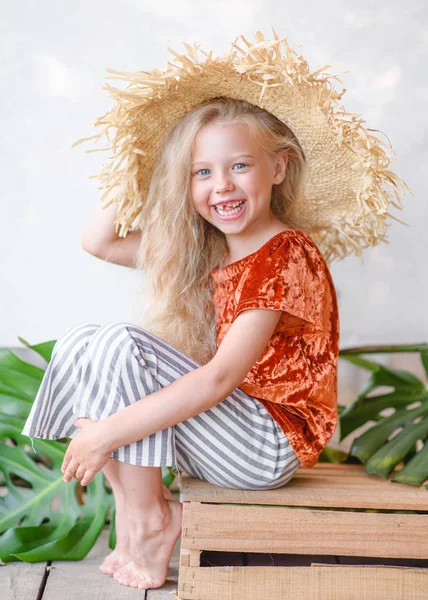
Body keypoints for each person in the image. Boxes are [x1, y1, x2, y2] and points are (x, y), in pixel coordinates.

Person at [21, 31, 408, 592]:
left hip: (266, 443)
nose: (220, 185)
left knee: (121, 343)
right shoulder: (214, 255)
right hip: (229, 435)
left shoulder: (284, 255)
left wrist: (106, 433)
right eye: (201, 172)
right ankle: (143, 516)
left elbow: (222, 378)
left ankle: (150, 518)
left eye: (239, 167)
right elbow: (100, 241)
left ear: (278, 168)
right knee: (85, 337)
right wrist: (145, 154)